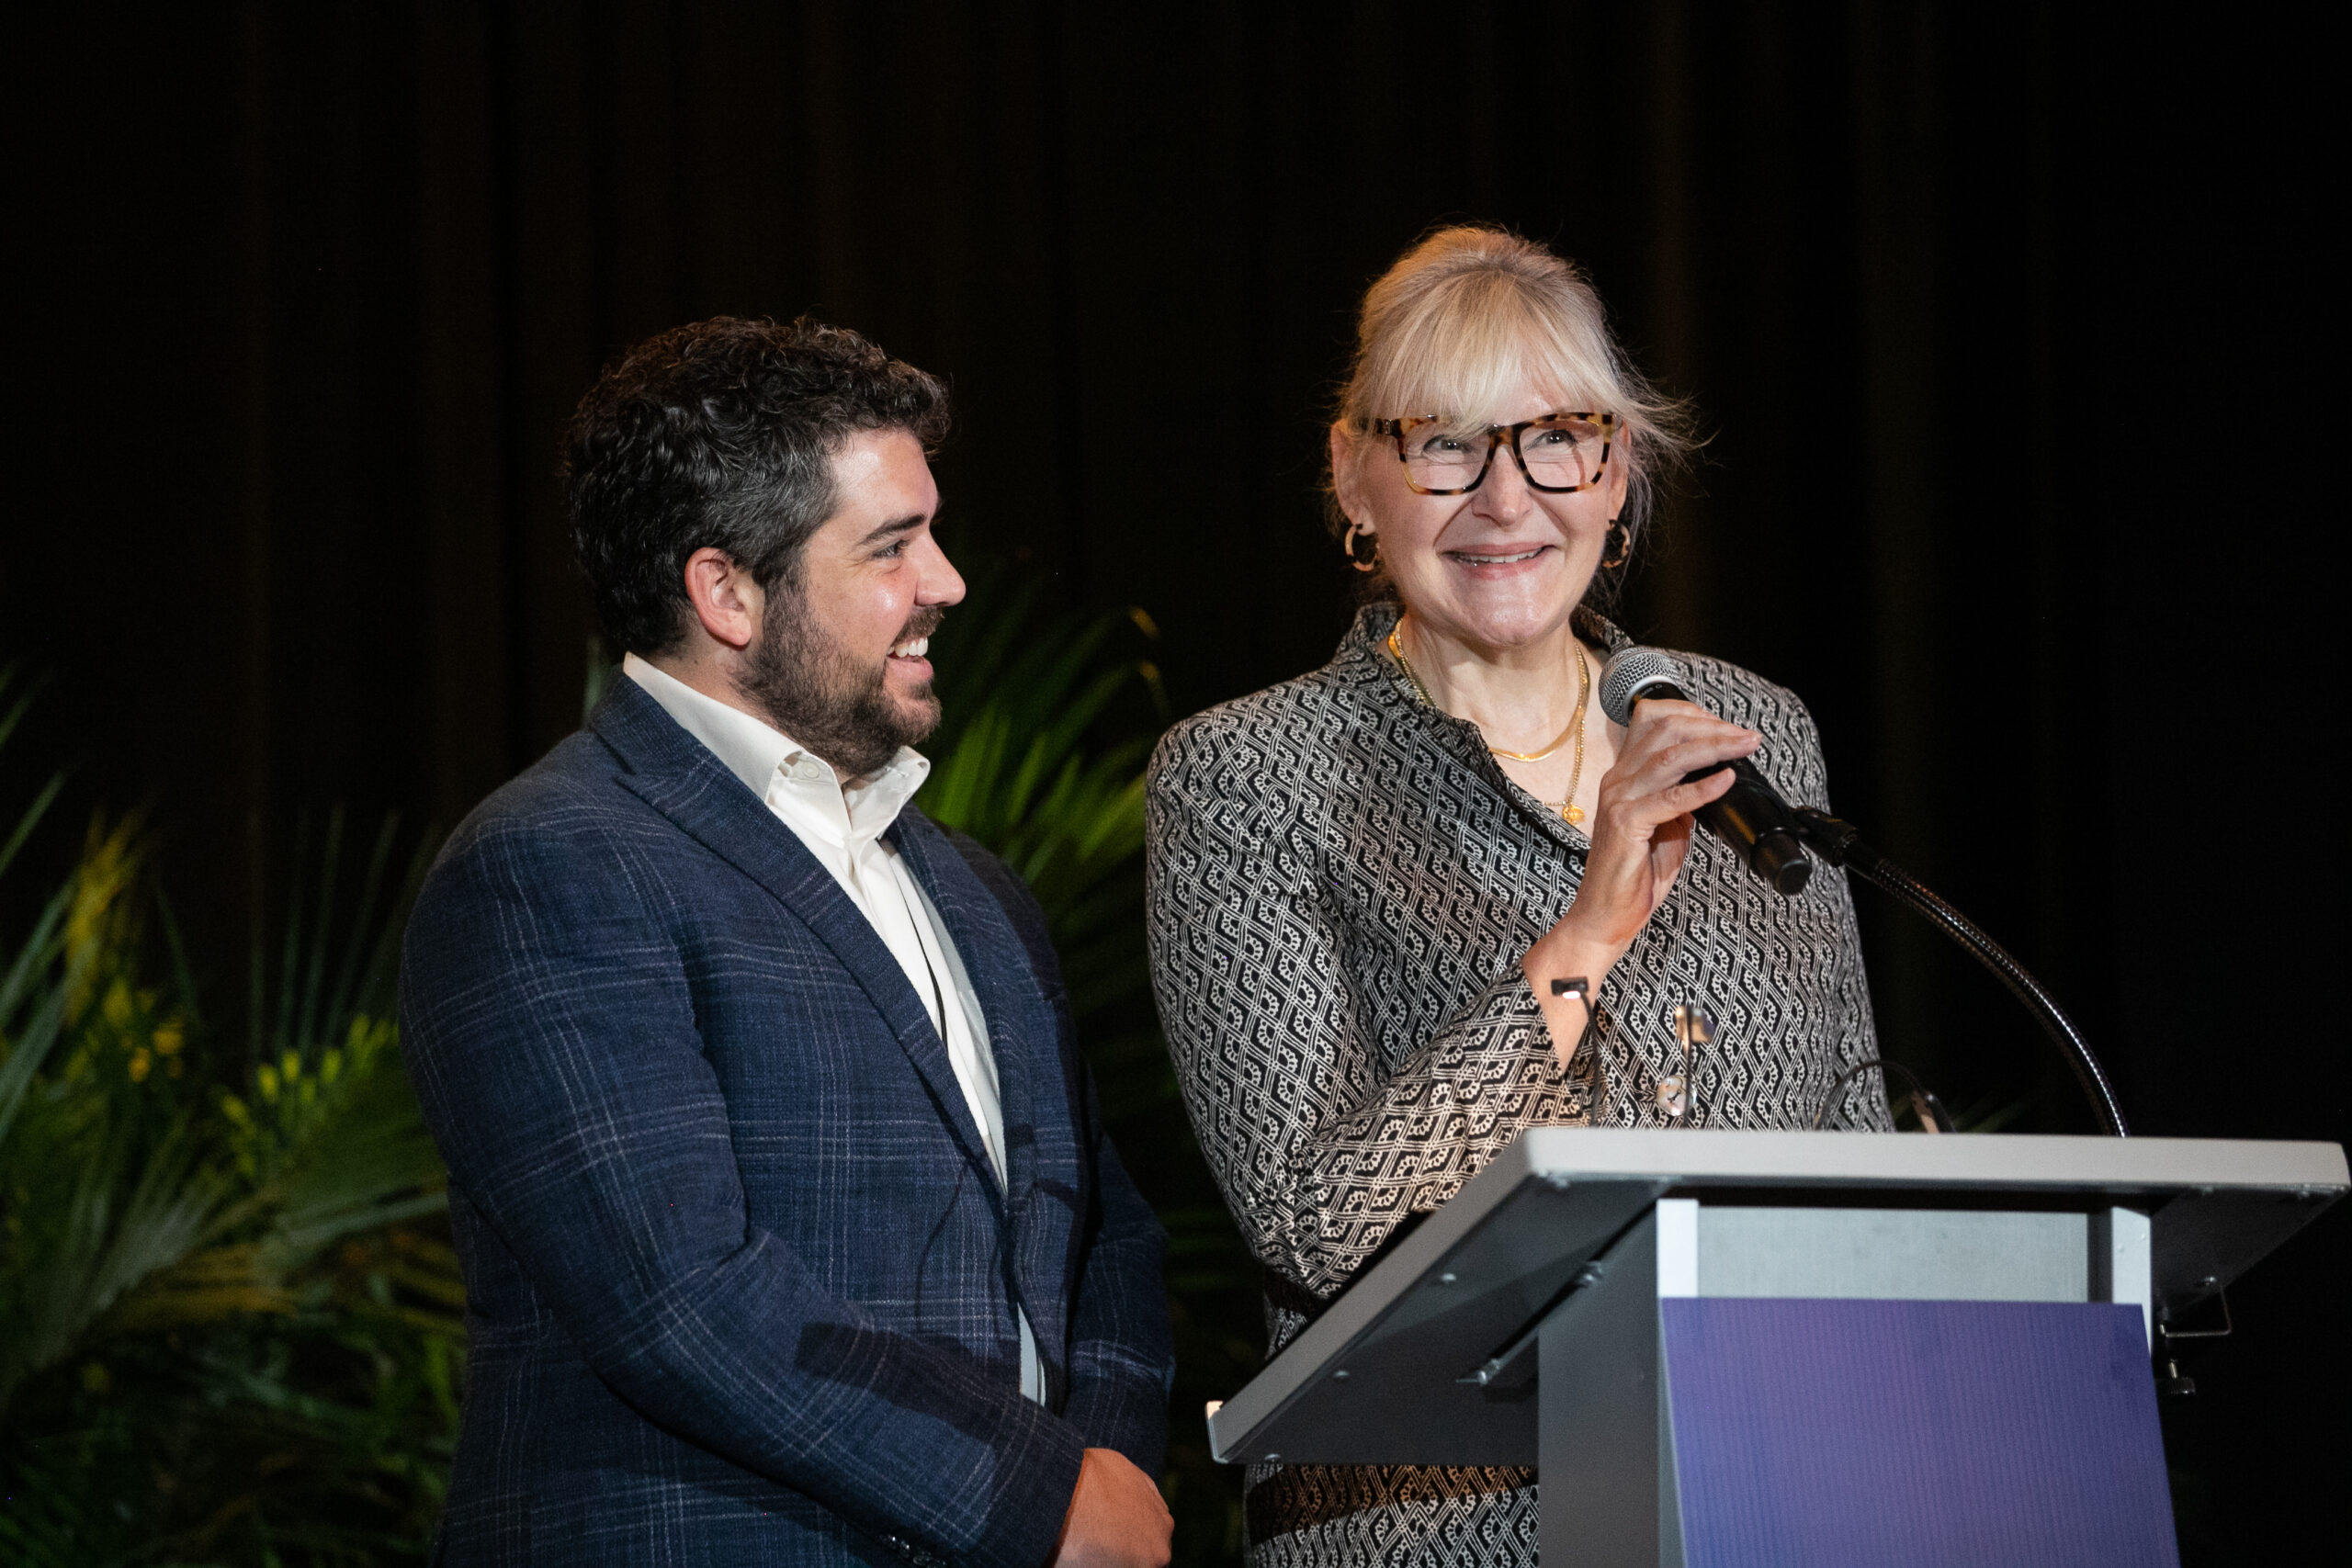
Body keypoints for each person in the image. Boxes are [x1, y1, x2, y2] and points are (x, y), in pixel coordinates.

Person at [1144, 227, 1886, 1559]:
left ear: (1619, 474)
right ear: (1351, 479)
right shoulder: (1247, 775)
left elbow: (1852, 1134)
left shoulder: (1747, 727)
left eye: (1557, 437)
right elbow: (1323, 1223)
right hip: (1440, 1531)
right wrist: (1590, 931)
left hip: (1766, 1496)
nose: (1506, 499)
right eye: (1443, 443)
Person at [400, 316, 1175, 1567]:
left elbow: (1108, 1238)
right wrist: (1041, 1498)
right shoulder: (548, 863)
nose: (947, 581)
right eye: (891, 546)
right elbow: (681, 1296)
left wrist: (1114, 1466)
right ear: (728, 594)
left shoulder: (975, 889)